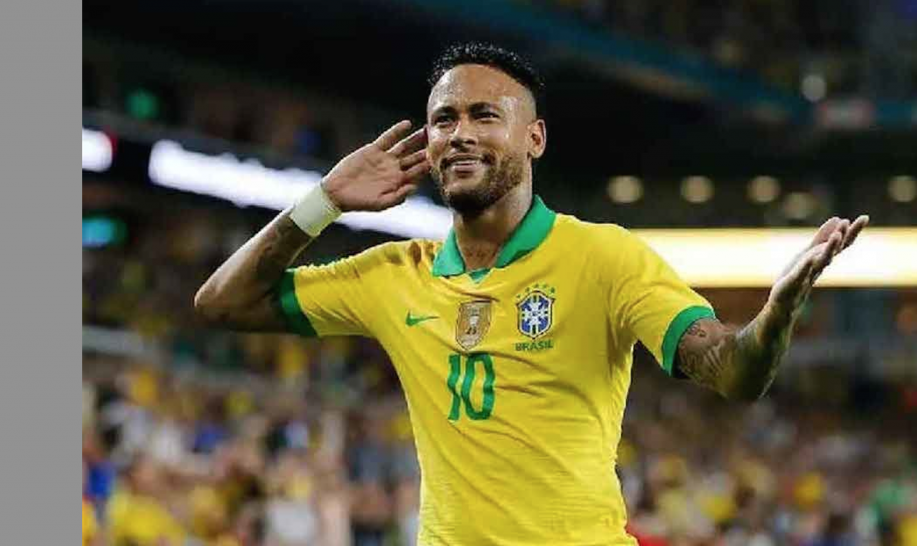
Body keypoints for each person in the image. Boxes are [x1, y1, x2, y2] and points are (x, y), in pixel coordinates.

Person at [194, 42, 868, 545]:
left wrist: (777, 313)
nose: (459, 133)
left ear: (534, 137)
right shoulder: (393, 273)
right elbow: (222, 303)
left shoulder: (604, 258)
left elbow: (733, 370)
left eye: (484, 115)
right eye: (443, 120)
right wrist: (322, 202)